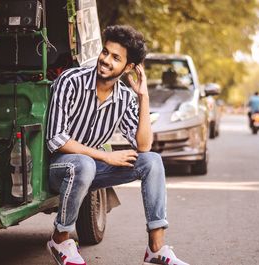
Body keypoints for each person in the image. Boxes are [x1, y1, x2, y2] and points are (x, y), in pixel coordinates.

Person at [45, 25, 189, 265]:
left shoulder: (124, 97)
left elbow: (143, 146)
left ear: (129, 67)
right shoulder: (71, 81)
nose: (105, 60)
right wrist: (105, 157)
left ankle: (155, 248)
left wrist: (143, 97)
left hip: (91, 168)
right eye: (105, 52)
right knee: (84, 164)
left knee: (152, 161)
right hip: (61, 168)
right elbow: (56, 139)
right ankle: (60, 240)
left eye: (115, 58)